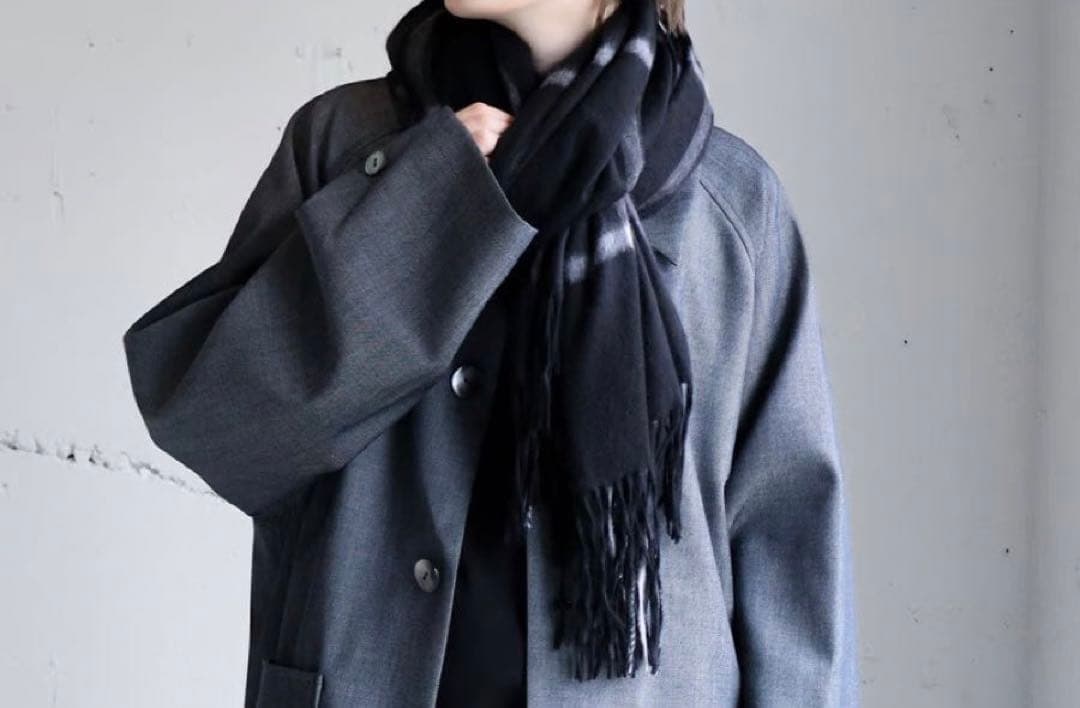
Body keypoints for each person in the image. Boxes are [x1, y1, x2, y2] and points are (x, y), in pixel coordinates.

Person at [121, 0, 861, 705]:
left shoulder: (731, 206)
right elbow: (219, 427)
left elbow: (794, 575)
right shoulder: (345, 144)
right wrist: (429, 200)